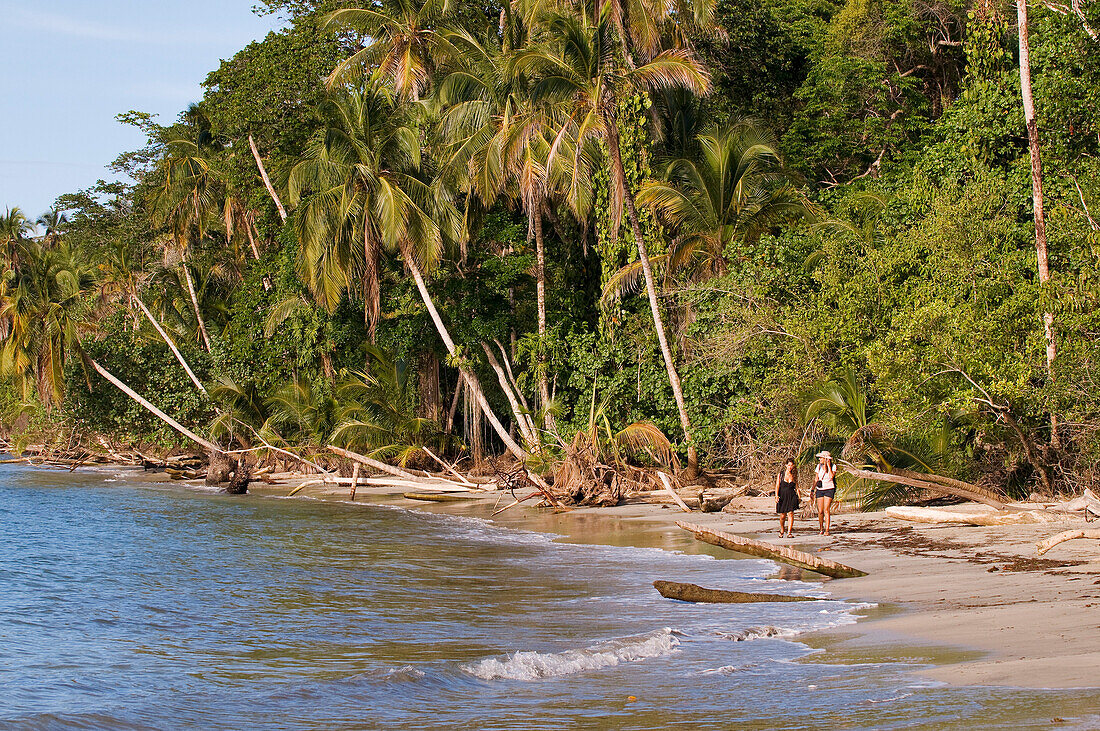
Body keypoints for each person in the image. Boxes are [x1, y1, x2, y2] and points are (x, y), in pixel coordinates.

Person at [774, 457, 799, 537]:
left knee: (791, 513)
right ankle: (782, 529)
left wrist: (799, 497)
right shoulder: (781, 474)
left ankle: (789, 532)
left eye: (791, 465)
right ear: (786, 465)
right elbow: (777, 485)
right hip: (782, 496)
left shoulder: (794, 475)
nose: (790, 467)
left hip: (791, 496)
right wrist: (776, 495)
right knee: (782, 516)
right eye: (788, 465)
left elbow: (797, 487)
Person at [813, 451, 837, 535]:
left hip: (829, 488)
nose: (819, 459)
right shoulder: (818, 466)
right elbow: (816, 478)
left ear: (826, 459)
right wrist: (812, 489)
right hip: (820, 489)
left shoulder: (833, 466)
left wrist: (829, 466)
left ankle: (827, 529)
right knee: (820, 511)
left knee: (826, 509)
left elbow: (831, 476)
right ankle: (821, 528)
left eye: (821, 458)